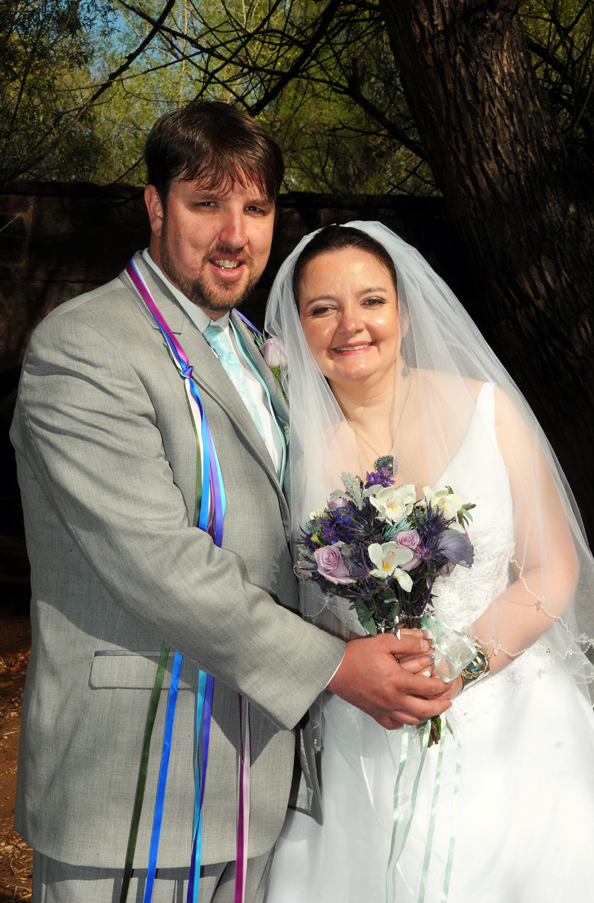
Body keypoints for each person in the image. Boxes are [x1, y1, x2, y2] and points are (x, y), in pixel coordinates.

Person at [10, 106, 451, 903]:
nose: (234, 234)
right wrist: (339, 666)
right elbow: (159, 563)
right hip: (140, 786)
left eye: (255, 209)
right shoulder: (85, 347)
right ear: (154, 207)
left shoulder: (261, 352)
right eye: (205, 203)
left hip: (256, 790)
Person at [263, 222, 594, 902]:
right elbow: (281, 598)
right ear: (298, 327)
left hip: (511, 728)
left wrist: (457, 663)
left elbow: (552, 566)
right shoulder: (286, 446)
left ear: (404, 312)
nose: (350, 324)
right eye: (323, 308)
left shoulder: (488, 410)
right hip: (363, 729)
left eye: (371, 301)